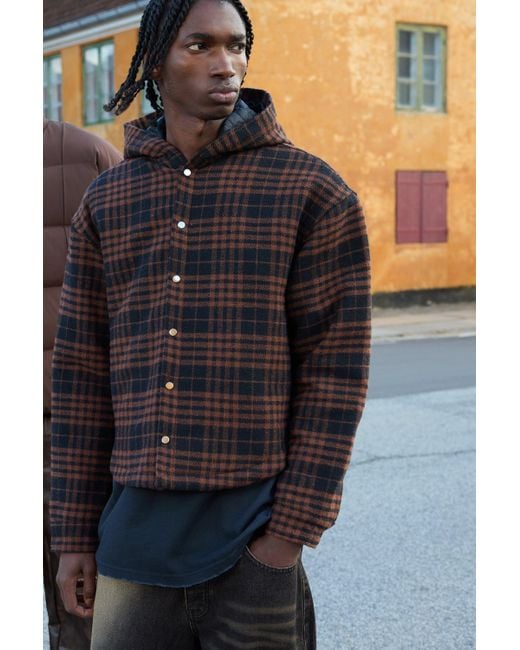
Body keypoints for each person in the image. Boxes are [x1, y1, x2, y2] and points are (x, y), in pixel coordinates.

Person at [50, 0, 371, 647]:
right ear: (155, 63)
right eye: (200, 46)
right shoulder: (108, 201)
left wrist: (286, 537)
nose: (226, 64)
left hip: (252, 544)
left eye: (237, 45)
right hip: (131, 545)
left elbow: (335, 378)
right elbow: (81, 378)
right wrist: (73, 536)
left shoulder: (313, 193)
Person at [43, 118, 122, 649]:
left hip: (67, 417)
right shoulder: (88, 151)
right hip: (67, 414)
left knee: (78, 589)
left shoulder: (89, 156)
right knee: (80, 601)